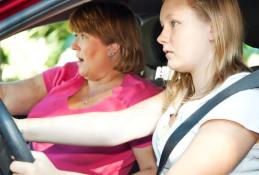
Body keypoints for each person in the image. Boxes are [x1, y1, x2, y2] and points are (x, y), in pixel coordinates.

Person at [10, 0, 259, 174]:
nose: (160, 37)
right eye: (162, 26)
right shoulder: (182, 93)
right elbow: (115, 126)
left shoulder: (242, 103)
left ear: (213, 28)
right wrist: (18, 128)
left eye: (174, 23)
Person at [1, 1, 162, 175]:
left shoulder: (143, 99)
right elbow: (9, 95)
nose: (73, 45)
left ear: (112, 47)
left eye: (83, 36)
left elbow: (150, 170)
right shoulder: (69, 73)